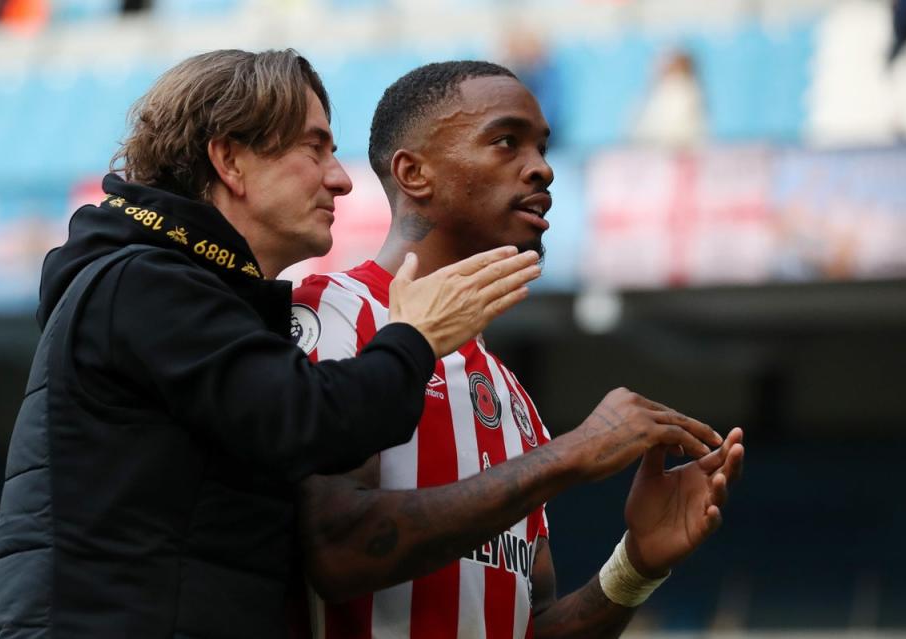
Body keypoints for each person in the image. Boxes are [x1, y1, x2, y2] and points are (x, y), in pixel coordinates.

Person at [0, 50, 541, 639]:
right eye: (315, 147)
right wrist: (415, 337)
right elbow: (312, 422)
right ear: (230, 159)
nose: (341, 177)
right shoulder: (145, 283)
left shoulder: (178, 290)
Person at [290, 61, 745, 638]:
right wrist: (568, 456)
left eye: (543, 147)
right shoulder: (333, 314)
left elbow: (531, 624)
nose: (543, 169)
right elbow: (338, 549)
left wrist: (635, 566)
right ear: (414, 173)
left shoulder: (510, 396)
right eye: (507, 142)